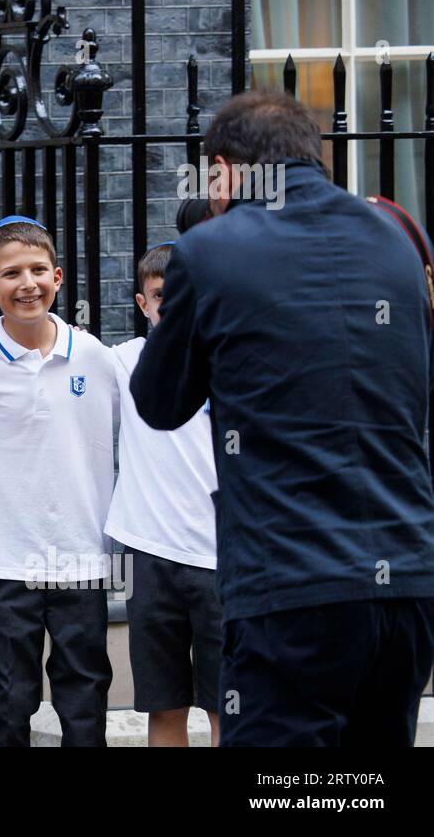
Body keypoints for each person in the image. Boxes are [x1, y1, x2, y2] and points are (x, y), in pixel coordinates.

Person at [131, 89, 434, 746]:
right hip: (406, 580)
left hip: (291, 584)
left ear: (224, 170)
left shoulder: (211, 251)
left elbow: (159, 400)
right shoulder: (398, 244)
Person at [0, 215, 117, 746]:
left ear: (58, 277)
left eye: (39, 270)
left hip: (81, 555)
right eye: (12, 274)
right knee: (9, 698)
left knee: (85, 694)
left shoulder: (96, 359)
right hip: (3, 559)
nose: (28, 283)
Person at [106, 242, 221, 747]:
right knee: (164, 705)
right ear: (142, 304)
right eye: (159, 297)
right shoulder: (123, 362)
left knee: (228, 706)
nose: (172, 307)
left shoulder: (234, 362)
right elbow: (45, 343)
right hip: (149, 554)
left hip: (223, 556)